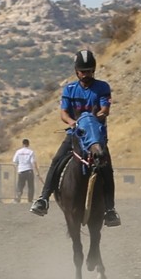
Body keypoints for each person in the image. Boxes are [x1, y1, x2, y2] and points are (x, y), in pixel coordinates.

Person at [31, 50, 121, 226]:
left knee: (107, 168)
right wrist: (73, 123)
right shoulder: (70, 89)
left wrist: (93, 119)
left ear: (94, 70)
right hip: (75, 136)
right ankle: (43, 199)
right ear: (76, 72)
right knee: (57, 160)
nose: (86, 74)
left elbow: (105, 109)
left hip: (96, 138)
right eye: (83, 71)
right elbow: (64, 113)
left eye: (89, 71)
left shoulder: (102, 87)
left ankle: (110, 210)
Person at [11, 139, 40, 204]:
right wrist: (37, 171)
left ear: (22, 144)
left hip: (21, 170)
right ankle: (30, 200)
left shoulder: (18, 152)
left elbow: (14, 161)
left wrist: (19, 166)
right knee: (30, 186)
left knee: (20, 185)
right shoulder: (30, 152)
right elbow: (33, 162)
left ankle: (18, 198)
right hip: (29, 170)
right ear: (28, 144)